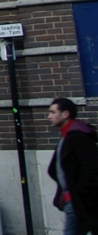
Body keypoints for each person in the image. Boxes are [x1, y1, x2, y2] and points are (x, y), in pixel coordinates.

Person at [47, 97, 98, 235]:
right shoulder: (66, 137)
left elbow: (90, 170)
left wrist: (77, 195)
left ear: (65, 114)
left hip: (79, 203)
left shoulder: (77, 138)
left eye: (52, 112)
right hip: (75, 202)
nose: (49, 116)